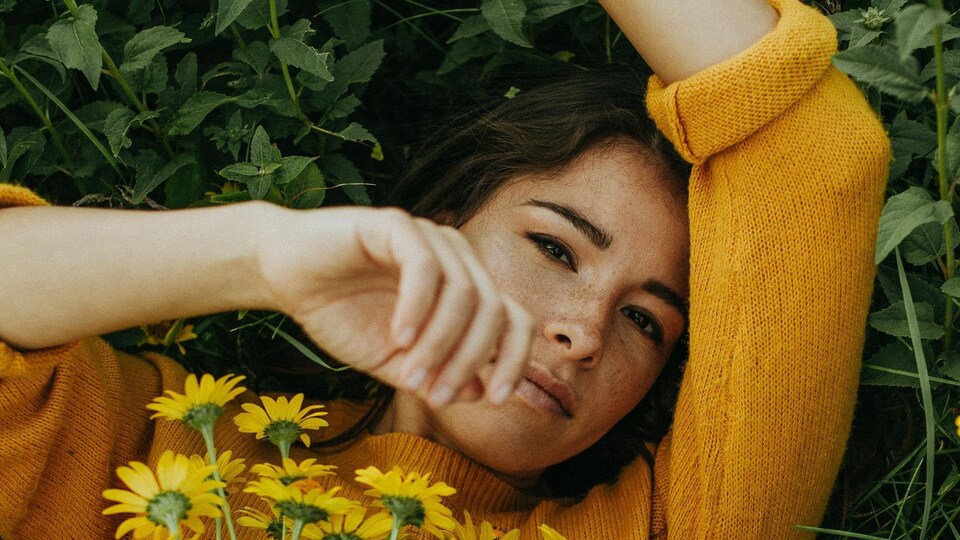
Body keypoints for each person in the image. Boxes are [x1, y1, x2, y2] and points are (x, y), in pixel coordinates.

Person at [0, 0, 889, 537]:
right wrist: (259, 255)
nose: (581, 332)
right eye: (553, 246)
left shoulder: (665, 528)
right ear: (436, 225)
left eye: (646, 321)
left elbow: (813, 158)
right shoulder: (168, 454)